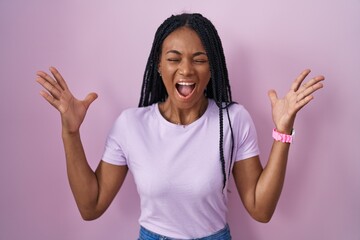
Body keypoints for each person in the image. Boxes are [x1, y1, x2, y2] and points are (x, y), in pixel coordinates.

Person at [36, 13, 324, 240]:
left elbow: (261, 210)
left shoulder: (234, 120)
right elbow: (91, 206)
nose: (186, 70)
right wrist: (71, 132)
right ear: (158, 66)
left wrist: (283, 131)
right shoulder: (130, 125)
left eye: (199, 60)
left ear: (213, 69)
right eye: (174, 59)